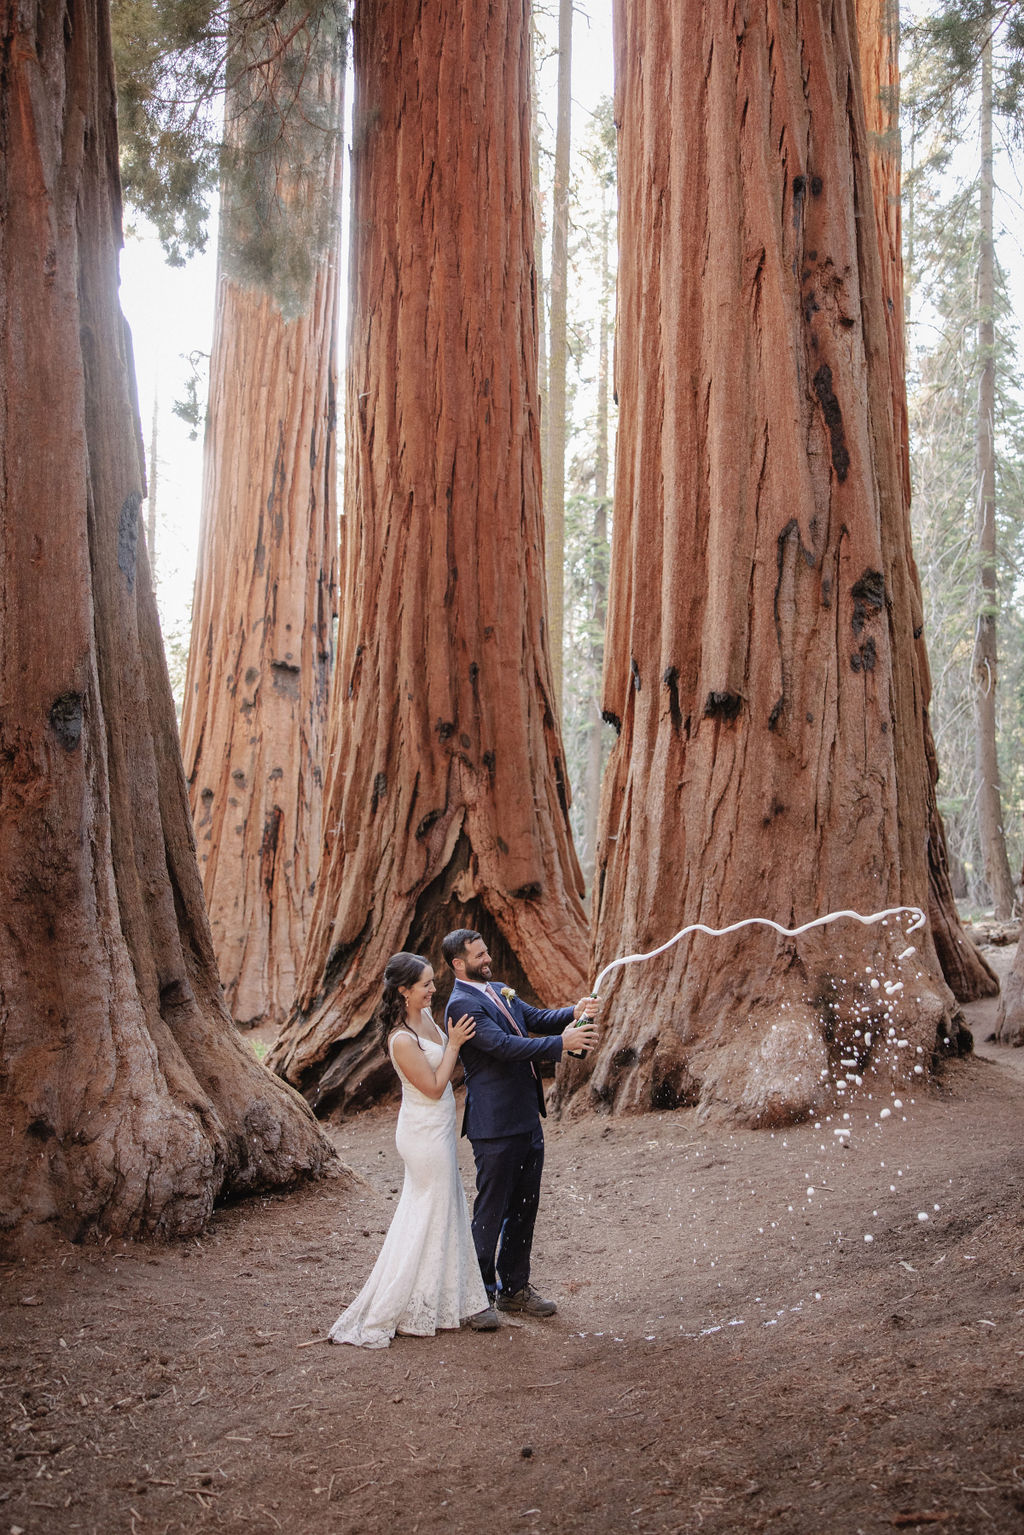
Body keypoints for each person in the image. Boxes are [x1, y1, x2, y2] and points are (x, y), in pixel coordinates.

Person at [328, 952, 499, 1348]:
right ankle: (406, 1305)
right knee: (429, 1211)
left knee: (445, 1208)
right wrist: (454, 1043)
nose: (433, 989)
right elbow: (436, 1086)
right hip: (422, 1135)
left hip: (438, 1128)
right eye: (425, 984)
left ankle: (449, 1298)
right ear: (404, 991)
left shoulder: (426, 1020)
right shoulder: (401, 1039)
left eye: (432, 982)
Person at [441, 929, 599, 1318]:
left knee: (525, 1207)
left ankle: (514, 1288)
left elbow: (536, 1019)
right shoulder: (461, 1005)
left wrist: (573, 1014)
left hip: (527, 1117)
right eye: (478, 955)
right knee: (491, 1211)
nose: (486, 958)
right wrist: (563, 1043)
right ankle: (478, 1297)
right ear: (458, 964)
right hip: (494, 1127)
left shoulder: (500, 989)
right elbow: (504, 1047)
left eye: (485, 951)